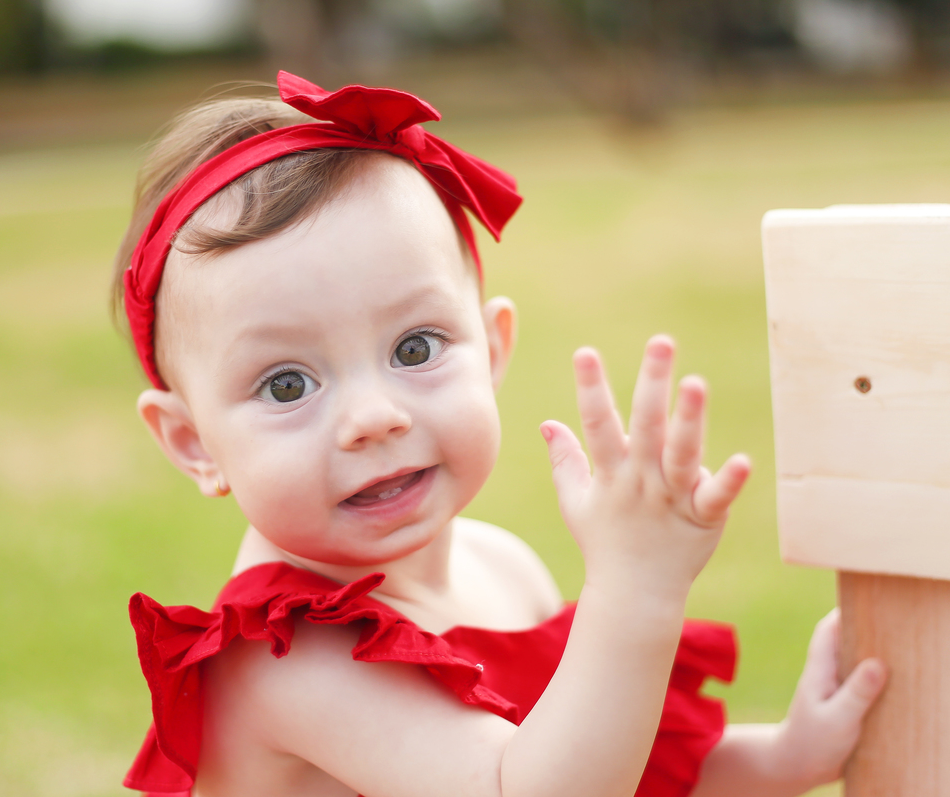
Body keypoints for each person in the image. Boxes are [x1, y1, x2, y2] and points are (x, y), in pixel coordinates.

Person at [112, 72, 887, 797]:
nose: (374, 417)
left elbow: (612, 766)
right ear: (193, 442)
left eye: (414, 348)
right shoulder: (286, 662)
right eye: (287, 384)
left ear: (491, 350)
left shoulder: (500, 566)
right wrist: (636, 591)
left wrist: (784, 758)